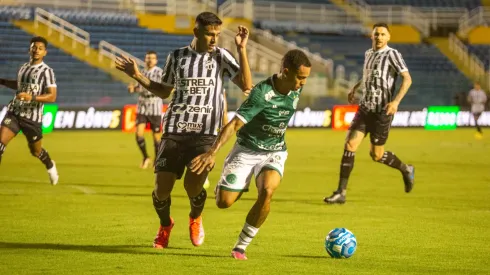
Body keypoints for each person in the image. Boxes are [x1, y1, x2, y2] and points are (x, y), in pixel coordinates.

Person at [115, 12, 252, 248]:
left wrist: (241, 49)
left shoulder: (221, 56)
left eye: (217, 35)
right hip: (175, 129)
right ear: (196, 31)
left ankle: (195, 217)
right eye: (210, 34)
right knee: (161, 190)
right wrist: (137, 75)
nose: (214, 39)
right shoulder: (177, 57)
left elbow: (247, 85)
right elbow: (163, 91)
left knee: (193, 186)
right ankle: (165, 225)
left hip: (206, 133)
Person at [190, 49, 311, 260]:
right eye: (300, 77)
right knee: (223, 202)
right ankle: (225, 186)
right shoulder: (261, 94)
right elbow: (235, 123)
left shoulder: (295, 88)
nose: (303, 83)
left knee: (267, 191)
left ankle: (240, 247)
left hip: (274, 151)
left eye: (305, 78)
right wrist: (212, 152)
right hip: (246, 150)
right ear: (285, 72)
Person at [323, 23, 415, 204]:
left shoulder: (392, 54)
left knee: (377, 155)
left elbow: (407, 78)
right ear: (371, 37)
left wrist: (395, 102)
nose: (379, 37)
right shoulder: (368, 54)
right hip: (365, 108)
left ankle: (406, 169)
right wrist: (355, 88)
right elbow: (368, 76)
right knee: (350, 144)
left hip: (382, 112)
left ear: (388, 37)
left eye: (382, 34)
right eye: (376, 34)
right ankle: (341, 192)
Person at [0, 36, 59, 185]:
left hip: (32, 118)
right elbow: (20, 86)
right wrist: (3, 81)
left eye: (40, 48)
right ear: (29, 49)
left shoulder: (47, 72)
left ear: (45, 52)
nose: (36, 50)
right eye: (34, 47)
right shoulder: (23, 68)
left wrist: (31, 97)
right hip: (14, 112)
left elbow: (52, 97)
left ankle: (49, 164)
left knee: (36, 151)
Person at [128, 50, 164, 169]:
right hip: (142, 106)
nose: (150, 60)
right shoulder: (141, 72)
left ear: (156, 60)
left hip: (155, 106)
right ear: (145, 59)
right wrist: (133, 89)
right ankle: (145, 157)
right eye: (148, 58)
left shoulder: (160, 73)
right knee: (138, 134)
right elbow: (139, 87)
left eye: (152, 58)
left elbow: (164, 88)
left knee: (156, 137)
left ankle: (156, 160)